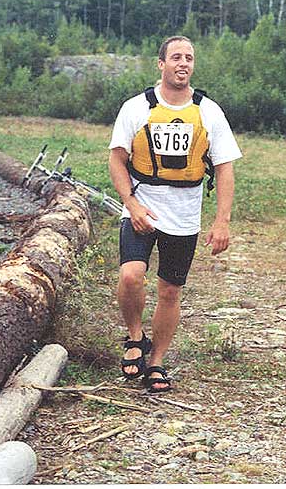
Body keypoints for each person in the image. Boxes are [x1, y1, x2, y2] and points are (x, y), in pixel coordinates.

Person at [108, 35, 242, 392]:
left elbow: (225, 168)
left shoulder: (208, 111)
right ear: (161, 64)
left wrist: (222, 221)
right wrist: (132, 204)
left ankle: (156, 363)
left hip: (184, 214)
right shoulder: (136, 108)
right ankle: (135, 336)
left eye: (189, 58)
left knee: (169, 291)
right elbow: (117, 160)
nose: (183, 64)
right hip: (142, 207)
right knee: (131, 275)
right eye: (176, 57)